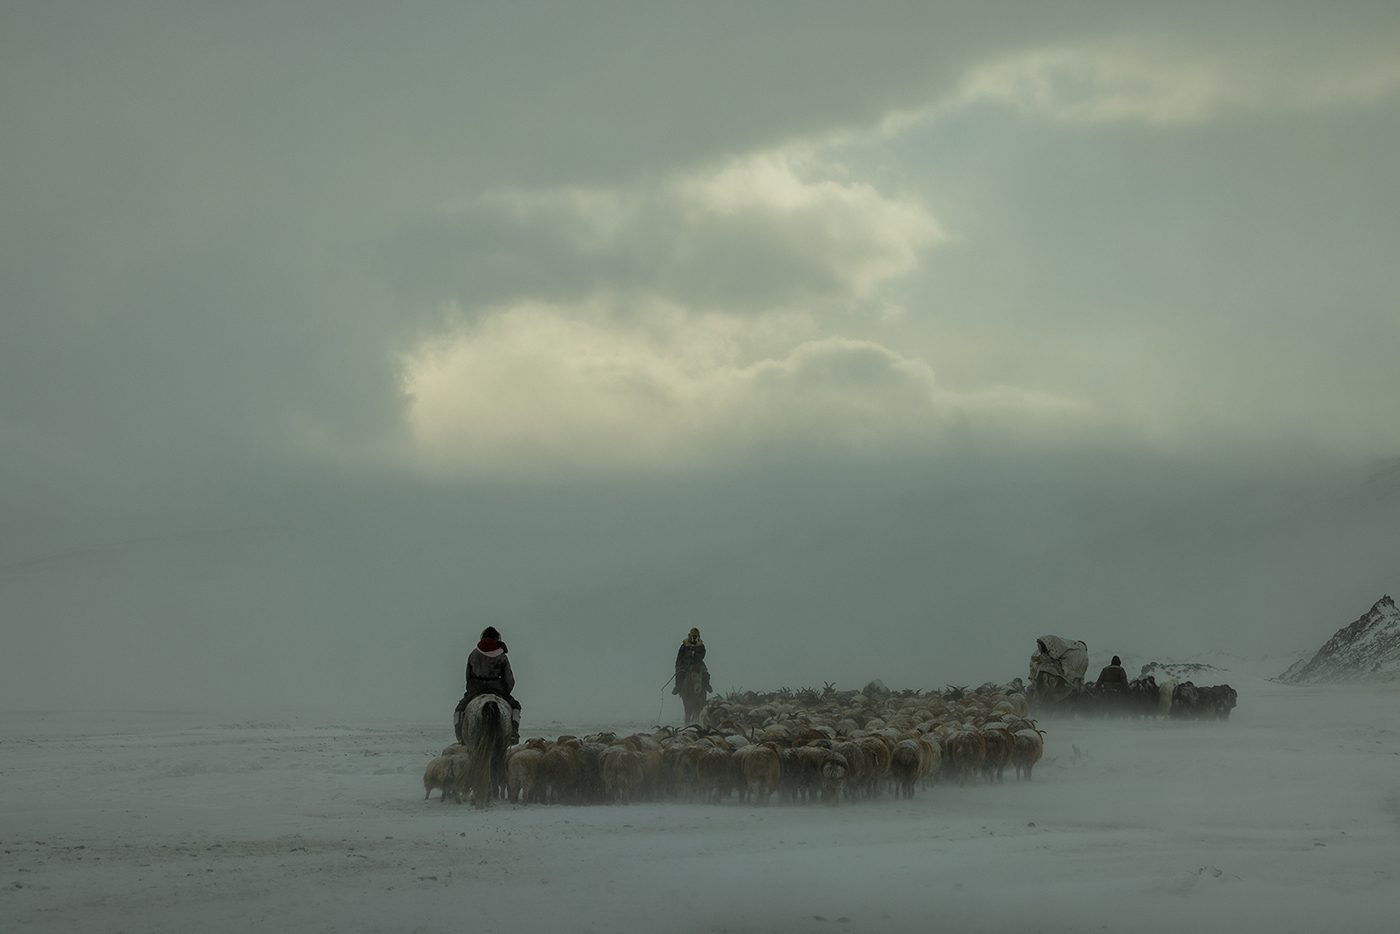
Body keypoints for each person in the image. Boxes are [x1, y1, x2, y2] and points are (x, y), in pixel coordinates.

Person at [457, 626, 522, 745]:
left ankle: (460, 736)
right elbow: (508, 678)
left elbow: (468, 675)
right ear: (497, 638)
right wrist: (506, 691)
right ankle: (513, 733)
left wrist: (470, 689)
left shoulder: (474, 653)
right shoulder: (502, 655)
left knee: (460, 708)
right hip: (497, 687)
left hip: (476, 687)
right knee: (515, 706)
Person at [672, 627, 711, 696]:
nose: (694, 637)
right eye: (693, 635)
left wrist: (694, 654)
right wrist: (677, 667)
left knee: (705, 674)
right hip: (686, 664)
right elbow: (679, 657)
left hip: (698, 664)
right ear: (690, 636)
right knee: (680, 674)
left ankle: (707, 685)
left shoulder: (701, 646)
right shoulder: (684, 646)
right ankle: (677, 687)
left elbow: (702, 656)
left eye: (696, 635)